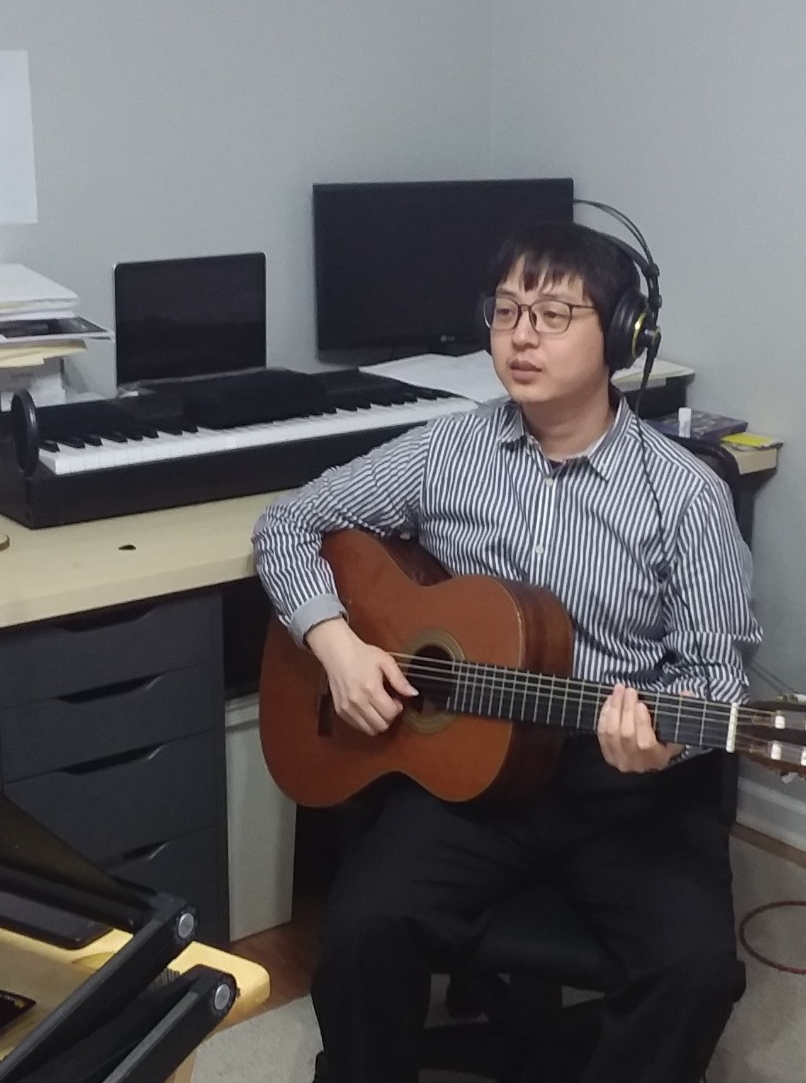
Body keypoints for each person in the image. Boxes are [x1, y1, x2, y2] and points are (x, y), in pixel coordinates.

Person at [253, 218, 760, 1083]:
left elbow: (718, 678)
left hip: (622, 788)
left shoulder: (684, 496)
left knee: (696, 973)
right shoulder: (448, 450)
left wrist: (666, 738)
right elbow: (287, 523)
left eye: (556, 314)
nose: (522, 335)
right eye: (506, 311)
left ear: (624, 337)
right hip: (468, 775)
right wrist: (334, 643)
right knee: (361, 933)